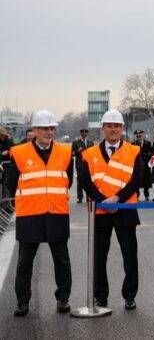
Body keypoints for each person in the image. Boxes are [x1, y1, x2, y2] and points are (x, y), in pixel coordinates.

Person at [7, 110, 73, 317]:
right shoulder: (18, 153)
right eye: (45, 128)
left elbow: (67, 180)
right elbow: (11, 184)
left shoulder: (65, 152)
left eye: (52, 128)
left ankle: (63, 298)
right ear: (34, 130)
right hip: (30, 214)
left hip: (56, 211)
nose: (49, 132)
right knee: (25, 261)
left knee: (61, 260)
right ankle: (22, 302)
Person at [78, 110, 142, 310]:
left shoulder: (135, 151)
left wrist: (117, 198)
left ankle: (129, 295)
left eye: (117, 126)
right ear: (103, 128)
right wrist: (104, 201)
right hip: (100, 210)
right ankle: (100, 296)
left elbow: (137, 179)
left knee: (130, 257)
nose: (113, 129)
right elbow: (85, 181)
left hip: (125, 208)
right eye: (109, 126)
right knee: (98, 258)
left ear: (122, 128)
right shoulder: (88, 154)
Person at [71, 128, 94, 203]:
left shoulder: (91, 143)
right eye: (82, 133)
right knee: (80, 181)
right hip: (80, 164)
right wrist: (78, 151)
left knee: (89, 181)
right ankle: (80, 197)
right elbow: (72, 154)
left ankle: (89, 197)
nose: (84, 134)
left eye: (85, 133)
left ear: (87, 134)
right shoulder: (76, 142)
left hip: (89, 164)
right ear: (80, 134)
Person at [132, 129, 154, 200]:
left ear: (143, 135)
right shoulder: (133, 144)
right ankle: (137, 196)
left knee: (146, 181)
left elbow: (150, 153)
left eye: (140, 136)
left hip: (146, 165)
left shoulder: (147, 143)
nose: (139, 137)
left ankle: (146, 196)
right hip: (137, 166)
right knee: (137, 181)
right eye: (137, 136)